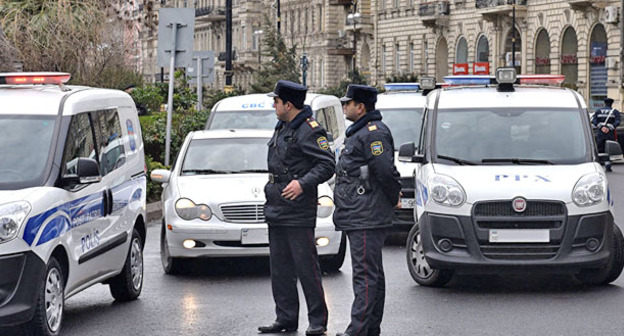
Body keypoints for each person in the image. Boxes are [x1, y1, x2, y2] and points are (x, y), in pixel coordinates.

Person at [259, 80, 335, 336]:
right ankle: (286, 318)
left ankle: (318, 321)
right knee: (280, 269)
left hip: (298, 210)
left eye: (276, 101)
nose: (273, 105)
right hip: (277, 207)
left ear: (288, 104)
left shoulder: (309, 130)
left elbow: (327, 164)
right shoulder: (282, 126)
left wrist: (303, 184)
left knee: (306, 267)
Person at [333, 85, 401, 336]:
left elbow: (385, 171)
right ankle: (369, 328)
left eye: (347, 103)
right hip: (360, 212)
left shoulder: (373, 134)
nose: (344, 107)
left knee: (365, 275)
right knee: (371, 273)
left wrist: (393, 197)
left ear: (360, 107)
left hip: (365, 214)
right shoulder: (360, 132)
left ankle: (359, 329)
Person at [592, 97, 621, 172]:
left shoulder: (598, 111)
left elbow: (594, 121)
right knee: (609, 148)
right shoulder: (615, 112)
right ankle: (608, 165)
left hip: (600, 133)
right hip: (610, 133)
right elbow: (617, 121)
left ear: (604, 103)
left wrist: (601, 127)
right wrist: (609, 128)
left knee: (600, 148)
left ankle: (599, 164)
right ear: (611, 103)